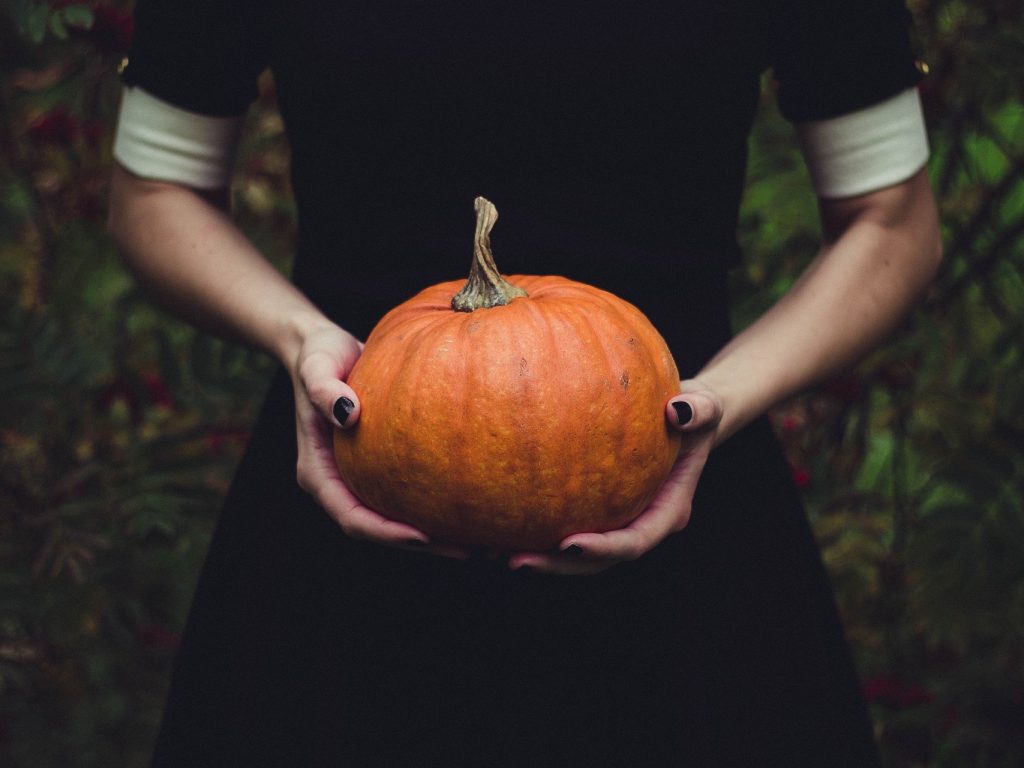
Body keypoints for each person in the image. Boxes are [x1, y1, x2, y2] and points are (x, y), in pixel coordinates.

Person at [107, 0, 942, 764]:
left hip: (680, 480)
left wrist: (720, 400)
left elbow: (893, 222)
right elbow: (154, 190)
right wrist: (301, 342)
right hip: (352, 466)